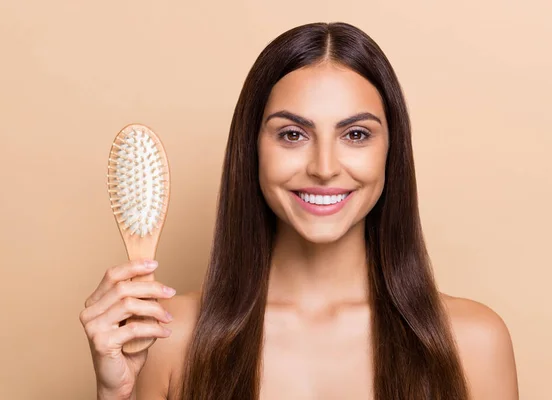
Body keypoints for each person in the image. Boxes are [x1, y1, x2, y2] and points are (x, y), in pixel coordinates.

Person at [79, 22, 519, 400]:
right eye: (292, 134)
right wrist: (114, 394)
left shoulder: (474, 343)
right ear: (251, 150)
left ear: (392, 151)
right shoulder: (167, 339)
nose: (324, 168)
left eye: (356, 135)